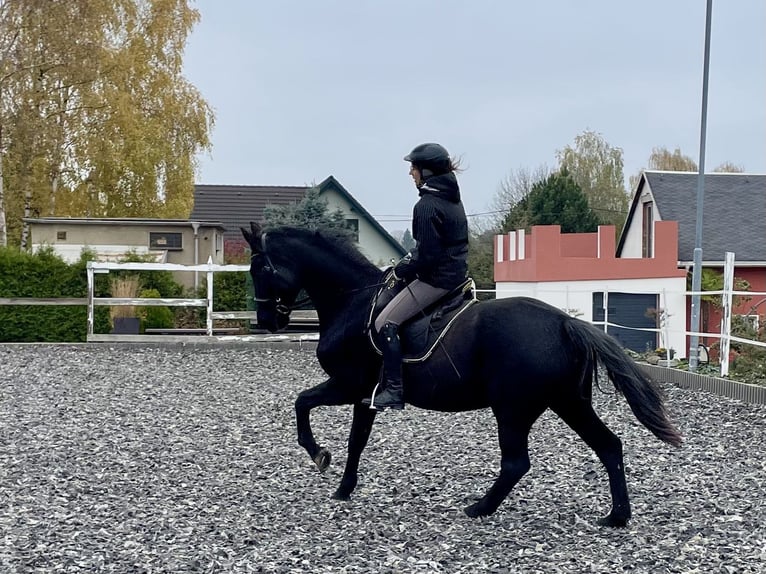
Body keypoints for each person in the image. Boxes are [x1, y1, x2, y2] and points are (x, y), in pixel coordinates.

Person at [363, 142, 469, 411]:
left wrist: (402, 269)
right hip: (456, 274)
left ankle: (394, 391)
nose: (411, 173)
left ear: (427, 172)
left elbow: (427, 257)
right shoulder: (452, 198)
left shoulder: (427, 206)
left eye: (414, 168)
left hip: (437, 281)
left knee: (385, 322)